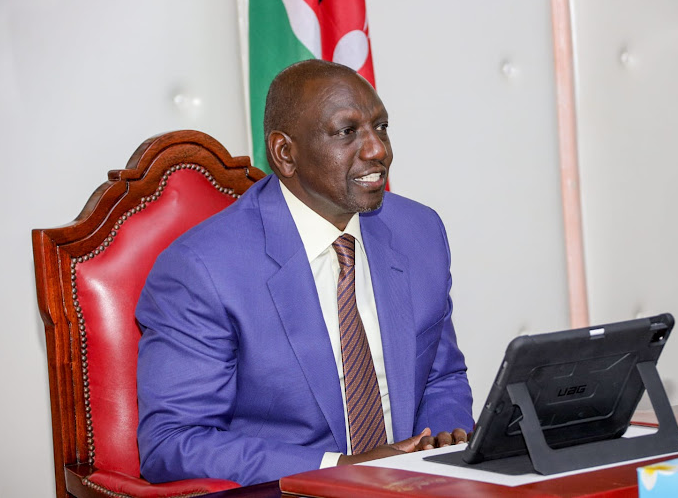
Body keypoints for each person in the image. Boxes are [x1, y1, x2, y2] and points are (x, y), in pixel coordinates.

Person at [136, 59, 473, 486]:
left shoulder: (418, 232)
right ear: (285, 154)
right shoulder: (204, 269)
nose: (377, 150)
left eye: (381, 126)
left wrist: (441, 443)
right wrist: (342, 471)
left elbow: (442, 379)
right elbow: (173, 443)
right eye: (347, 132)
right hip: (291, 490)